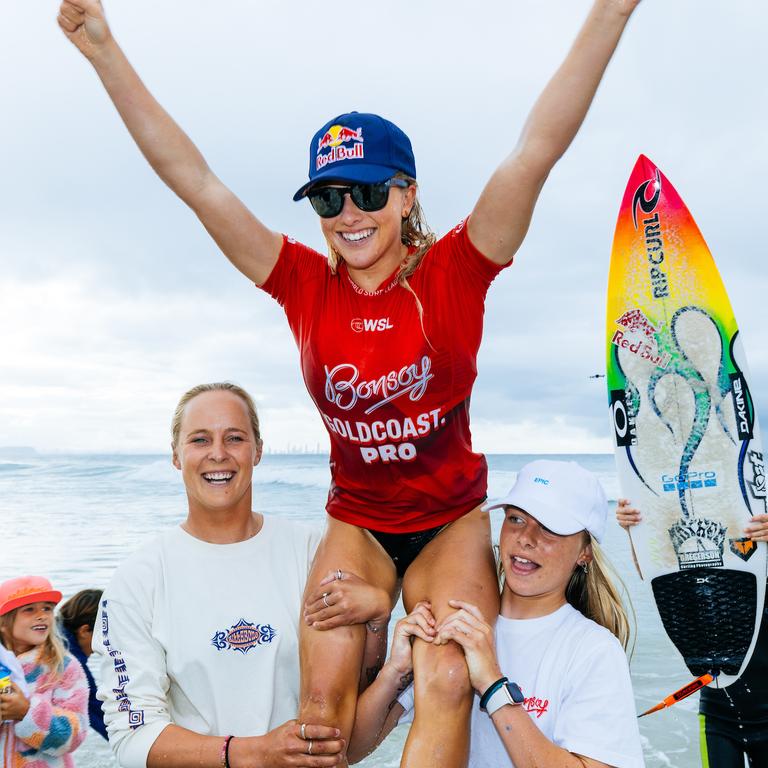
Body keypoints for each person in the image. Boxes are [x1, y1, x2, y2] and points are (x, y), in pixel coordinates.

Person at [58, 1, 643, 763]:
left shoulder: (457, 271)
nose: (349, 214)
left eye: (368, 192)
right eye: (330, 198)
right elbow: (196, 182)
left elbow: (537, 149)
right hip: (358, 522)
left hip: (449, 522)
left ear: (405, 194)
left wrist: (612, 11)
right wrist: (104, 51)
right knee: (319, 722)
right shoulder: (302, 282)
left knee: (443, 675)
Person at [92, 381, 389, 768]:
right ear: (176, 455)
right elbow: (132, 736)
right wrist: (255, 753)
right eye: (200, 440)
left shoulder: (311, 552)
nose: (218, 454)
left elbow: (350, 713)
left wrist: (378, 618)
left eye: (234, 438)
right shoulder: (139, 579)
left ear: (258, 450)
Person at [348, 460, 644, 767]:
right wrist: (395, 671)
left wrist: (492, 684)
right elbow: (353, 749)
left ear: (584, 552)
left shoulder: (592, 649)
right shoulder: (459, 622)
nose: (527, 538)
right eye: (516, 519)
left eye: (549, 527)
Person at [617, 499, 768, 767]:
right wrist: (637, 531)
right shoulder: (712, 562)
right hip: (719, 714)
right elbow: (655, 570)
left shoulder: (755, 551)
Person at [0, 575, 89, 767]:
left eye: (47, 608)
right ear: (3, 623)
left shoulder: (64, 667)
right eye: (29, 609)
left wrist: (26, 711)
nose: (41, 615)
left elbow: (76, 733)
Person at [58, 588, 108, 741]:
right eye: (104, 636)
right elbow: (95, 708)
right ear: (84, 631)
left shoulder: (54, 632)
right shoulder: (68, 656)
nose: (104, 646)